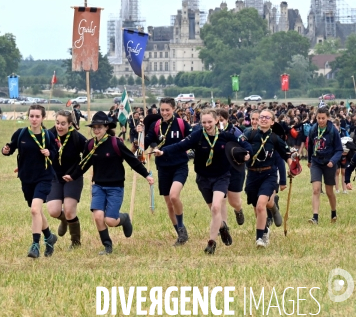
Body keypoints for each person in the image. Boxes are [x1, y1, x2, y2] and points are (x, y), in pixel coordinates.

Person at [153, 109, 252, 254]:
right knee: (214, 210)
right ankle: (222, 227)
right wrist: (163, 151)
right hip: (203, 179)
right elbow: (180, 146)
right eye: (204, 122)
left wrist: (247, 154)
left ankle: (211, 243)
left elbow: (245, 145)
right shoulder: (197, 136)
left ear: (216, 120)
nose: (207, 125)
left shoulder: (225, 136)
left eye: (210, 122)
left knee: (216, 208)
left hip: (221, 177)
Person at [63, 111, 154, 255]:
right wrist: (72, 176)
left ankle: (124, 218)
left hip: (115, 187)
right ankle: (107, 246)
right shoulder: (90, 145)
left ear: (106, 127)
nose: (96, 130)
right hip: (98, 186)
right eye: (94, 127)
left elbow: (132, 159)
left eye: (100, 127)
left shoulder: (115, 143)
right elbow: (84, 164)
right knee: (98, 217)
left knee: (110, 220)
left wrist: (146, 175)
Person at [2, 105, 59, 258]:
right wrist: (5, 150)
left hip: (44, 177)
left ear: (43, 118)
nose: (34, 119)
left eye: (37, 116)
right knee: (38, 211)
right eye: (31, 116)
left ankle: (35, 245)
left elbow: (56, 153)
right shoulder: (21, 134)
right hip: (26, 178)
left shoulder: (48, 135)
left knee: (34, 210)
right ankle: (49, 237)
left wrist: (49, 152)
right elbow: (10, 148)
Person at [136, 97, 192, 246]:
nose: (165, 112)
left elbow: (192, 139)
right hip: (163, 167)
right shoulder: (156, 125)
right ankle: (181, 234)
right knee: (168, 203)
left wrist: (192, 152)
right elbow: (144, 144)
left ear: (173, 109)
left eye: (167, 110)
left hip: (179, 165)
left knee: (174, 196)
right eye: (162, 110)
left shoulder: (181, 124)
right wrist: (139, 134)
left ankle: (181, 227)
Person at [242, 109, 294, 248]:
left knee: (261, 205)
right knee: (256, 207)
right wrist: (243, 155)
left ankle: (260, 238)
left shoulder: (275, 138)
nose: (263, 119)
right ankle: (265, 228)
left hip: (269, 175)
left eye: (267, 117)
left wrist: (292, 167)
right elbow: (237, 146)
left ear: (272, 122)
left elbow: (286, 154)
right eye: (261, 117)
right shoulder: (249, 134)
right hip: (252, 175)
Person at [47, 110, 87, 248]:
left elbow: (89, 156)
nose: (59, 126)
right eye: (57, 123)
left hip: (73, 178)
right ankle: (64, 220)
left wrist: (75, 174)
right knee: (53, 211)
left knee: (70, 210)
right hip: (54, 178)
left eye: (63, 124)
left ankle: (75, 242)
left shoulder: (77, 138)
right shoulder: (49, 135)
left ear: (70, 124)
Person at [307, 107, 343, 225]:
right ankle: (315, 217)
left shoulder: (333, 131)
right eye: (319, 118)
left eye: (323, 118)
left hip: (329, 163)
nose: (321, 120)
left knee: (329, 192)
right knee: (316, 189)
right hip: (316, 162)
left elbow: (339, 150)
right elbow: (310, 147)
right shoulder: (313, 130)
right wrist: (309, 160)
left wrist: (333, 161)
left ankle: (333, 212)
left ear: (328, 118)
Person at [217, 108, 246, 226]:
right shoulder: (211, 132)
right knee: (221, 199)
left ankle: (238, 210)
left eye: (221, 120)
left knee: (234, 201)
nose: (219, 123)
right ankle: (224, 227)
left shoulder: (236, 132)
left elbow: (244, 146)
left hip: (235, 169)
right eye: (217, 120)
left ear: (227, 120)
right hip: (220, 170)